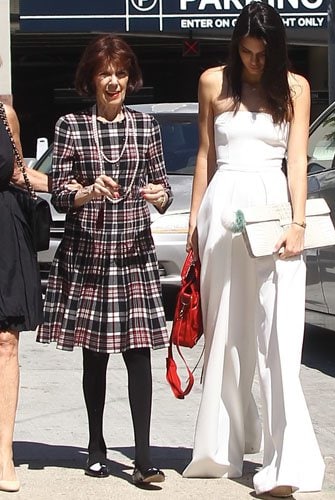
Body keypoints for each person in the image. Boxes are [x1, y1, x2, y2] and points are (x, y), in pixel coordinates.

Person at [182, 3, 325, 497]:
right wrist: (193, 223)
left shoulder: (297, 88)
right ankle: (221, 449)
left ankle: (286, 459)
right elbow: (205, 154)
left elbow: (298, 162)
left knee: (277, 336)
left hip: (273, 214)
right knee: (225, 332)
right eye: (245, 52)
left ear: (277, 49)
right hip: (221, 213)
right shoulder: (211, 83)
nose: (254, 62)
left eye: (262, 54)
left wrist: (299, 222)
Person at [37, 34, 172, 485]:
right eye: (104, 73)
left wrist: (160, 196)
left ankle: (144, 458)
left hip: (134, 253)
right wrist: (86, 191)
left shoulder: (146, 126)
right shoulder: (70, 126)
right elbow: (57, 192)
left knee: (139, 355)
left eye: (119, 73)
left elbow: (162, 187)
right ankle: (95, 447)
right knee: (95, 357)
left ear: (130, 78)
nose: (113, 81)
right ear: (91, 79)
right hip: (87, 254)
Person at [0, 58, 51, 494]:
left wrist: (76, 185)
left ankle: (4, 454)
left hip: (4, 233)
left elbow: (19, 173)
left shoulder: (4, 113)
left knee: (5, 339)